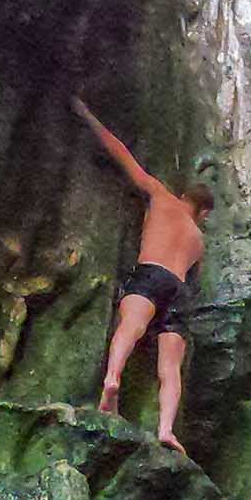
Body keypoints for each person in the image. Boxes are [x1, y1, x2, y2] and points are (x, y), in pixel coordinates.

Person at [70, 96, 214, 454]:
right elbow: (195, 282)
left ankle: (112, 381)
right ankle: (166, 428)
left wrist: (88, 115)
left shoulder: (162, 197)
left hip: (151, 273)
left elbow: (122, 156)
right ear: (204, 213)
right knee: (171, 367)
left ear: (184, 197)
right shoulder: (198, 239)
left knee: (130, 328)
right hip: (178, 288)